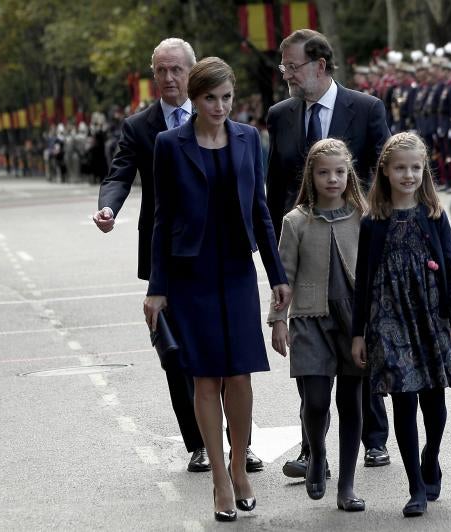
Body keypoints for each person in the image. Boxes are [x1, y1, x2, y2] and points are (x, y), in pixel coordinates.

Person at [92, 38, 263, 473]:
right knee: (181, 355)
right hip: (167, 254)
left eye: (176, 70)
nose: (169, 79)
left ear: (193, 71)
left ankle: (240, 445)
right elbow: (119, 174)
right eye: (161, 71)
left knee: (228, 354)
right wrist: (109, 206)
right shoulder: (141, 127)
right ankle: (199, 443)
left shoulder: (224, 119)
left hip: (221, 255)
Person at [143, 57, 290, 521]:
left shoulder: (249, 138)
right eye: (211, 98)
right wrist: (157, 287)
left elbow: (261, 212)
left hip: (236, 272)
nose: (221, 106)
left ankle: (238, 464)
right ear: (194, 97)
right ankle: (220, 481)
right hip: (191, 276)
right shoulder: (169, 144)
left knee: (240, 374)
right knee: (206, 377)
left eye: (227, 97)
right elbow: (163, 220)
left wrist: (278, 275)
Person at [265, 28, 393, 477]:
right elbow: (276, 188)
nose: (287, 74)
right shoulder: (280, 115)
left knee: (360, 346)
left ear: (320, 66)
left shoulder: (366, 108)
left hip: (357, 246)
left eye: (293, 66)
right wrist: (273, 250)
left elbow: (386, 178)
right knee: (311, 356)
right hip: (305, 250)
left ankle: (374, 440)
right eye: (284, 67)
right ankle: (310, 446)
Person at [352, 132, 451, 517]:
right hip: (389, 321)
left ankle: (430, 456)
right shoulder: (373, 223)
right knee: (403, 402)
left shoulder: (434, 215)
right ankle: (415, 486)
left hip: (430, 318)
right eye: (400, 167)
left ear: (424, 171)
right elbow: (363, 281)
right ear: (385, 171)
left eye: (415, 167)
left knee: (435, 404)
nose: (408, 174)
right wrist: (358, 333)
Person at [268, 138, 368, 512]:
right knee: (316, 401)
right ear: (311, 175)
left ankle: (346, 486)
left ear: (349, 175)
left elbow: (375, 272)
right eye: (324, 172)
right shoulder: (295, 222)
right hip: (308, 319)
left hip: (354, 320)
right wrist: (278, 320)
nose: (333, 179)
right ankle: (317, 456)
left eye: (340, 172)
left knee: (351, 402)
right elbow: (284, 276)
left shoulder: (363, 216)